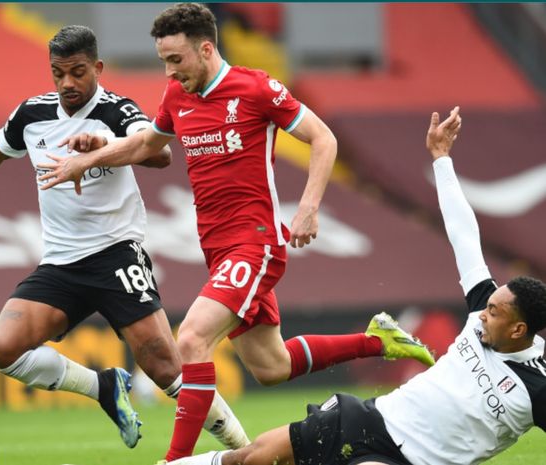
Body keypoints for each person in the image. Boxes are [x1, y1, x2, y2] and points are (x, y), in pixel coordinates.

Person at [37, 4, 436, 462]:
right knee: (270, 366)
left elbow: (323, 138)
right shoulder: (176, 95)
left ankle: (176, 461)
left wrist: (307, 208)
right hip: (217, 247)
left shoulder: (255, 87)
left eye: (176, 59)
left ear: (206, 48)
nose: (169, 71)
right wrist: (91, 156)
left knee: (190, 339)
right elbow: (147, 143)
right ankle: (378, 340)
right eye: (164, 60)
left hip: (256, 240)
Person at [0, 24, 250, 451]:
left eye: (77, 72)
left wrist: (104, 144)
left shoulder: (116, 111)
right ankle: (103, 387)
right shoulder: (32, 114)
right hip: (61, 263)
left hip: (117, 254)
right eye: (58, 73)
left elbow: (160, 152)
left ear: (96, 67)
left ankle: (246, 448)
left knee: (167, 369)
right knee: (4, 349)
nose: (67, 83)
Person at [161, 107, 546, 465]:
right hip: (371, 420)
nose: (482, 314)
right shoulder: (482, 310)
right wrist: (441, 158)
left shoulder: (538, 388)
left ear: (518, 329)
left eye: (494, 312)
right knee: (256, 457)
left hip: (410, 461)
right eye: (488, 304)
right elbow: (464, 234)